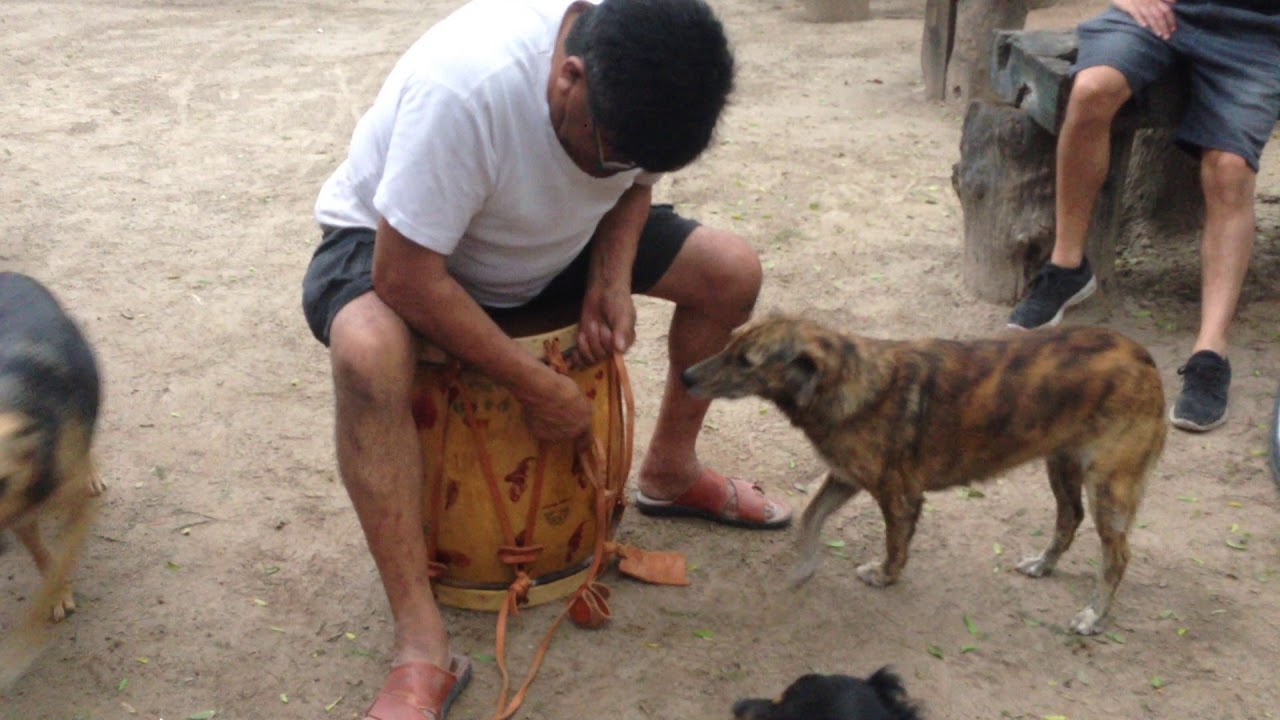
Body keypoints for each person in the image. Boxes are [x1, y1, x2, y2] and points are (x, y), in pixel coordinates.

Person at [301, 0, 793, 717]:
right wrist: (534, 383)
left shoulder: (637, 58)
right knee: (366, 351)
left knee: (731, 272)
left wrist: (611, 271)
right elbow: (404, 274)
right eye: (613, 149)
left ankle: (670, 472)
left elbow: (636, 180)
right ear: (569, 76)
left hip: (554, 240)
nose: (623, 165)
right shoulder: (467, 88)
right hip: (404, 242)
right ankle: (421, 645)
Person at [1007, 0, 1279, 433]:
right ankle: (1067, 266)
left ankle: (1210, 351)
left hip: (1260, 31)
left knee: (1229, 166)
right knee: (1091, 89)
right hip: (1166, 12)